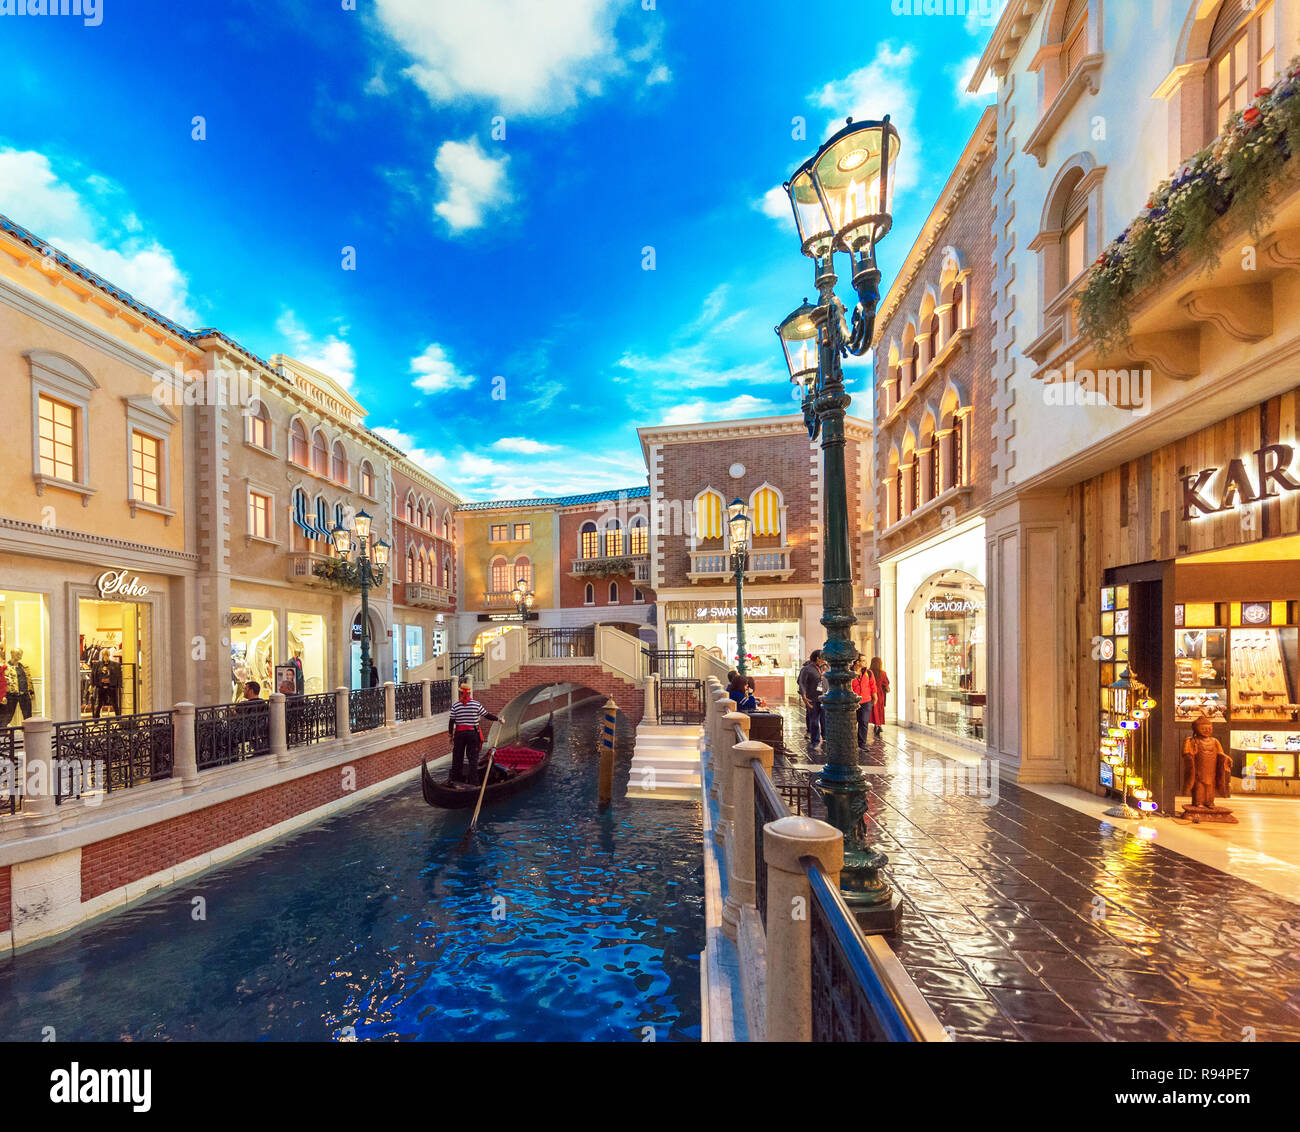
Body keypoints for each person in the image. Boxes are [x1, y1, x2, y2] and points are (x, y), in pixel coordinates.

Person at [447, 683, 500, 785]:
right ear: (470, 693)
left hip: (459, 734)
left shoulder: (455, 705)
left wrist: (450, 735)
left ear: (460, 693)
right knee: (473, 759)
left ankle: (456, 780)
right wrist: (498, 719)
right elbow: (487, 715)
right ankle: (474, 783)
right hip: (472, 733)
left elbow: (451, 722)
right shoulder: (476, 704)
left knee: (457, 757)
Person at [798, 649, 827, 747]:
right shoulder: (807, 669)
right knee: (814, 720)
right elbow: (801, 682)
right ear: (818, 658)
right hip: (812, 698)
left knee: (825, 720)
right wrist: (804, 696)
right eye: (823, 657)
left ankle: (826, 738)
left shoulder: (826, 668)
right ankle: (815, 741)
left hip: (824, 698)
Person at [851, 658, 877, 748]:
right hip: (852, 701)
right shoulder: (849, 673)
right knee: (852, 722)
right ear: (857, 662)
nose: (866, 662)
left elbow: (872, 685)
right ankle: (851, 743)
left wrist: (875, 696)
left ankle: (862, 744)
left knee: (864, 722)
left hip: (866, 701)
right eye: (863, 660)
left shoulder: (868, 673)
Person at [868, 656, 890, 739]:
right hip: (880, 693)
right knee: (880, 709)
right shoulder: (883, 673)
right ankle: (879, 725)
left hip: (872, 693)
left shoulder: (869, 672)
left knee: (874, 710)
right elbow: (886, 683)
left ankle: (876, 724)